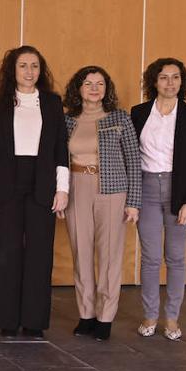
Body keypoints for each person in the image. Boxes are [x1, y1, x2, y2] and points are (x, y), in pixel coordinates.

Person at [0, 45, 68, 339]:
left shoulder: (53, 103)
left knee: (40, 254)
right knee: (7, 252)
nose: (29, 72)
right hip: (6, 185)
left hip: (42, 184)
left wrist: (63, 188)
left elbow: (60, 150)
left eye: (34, 66)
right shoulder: (0, 104)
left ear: (40, 70)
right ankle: (7, 319)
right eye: (23, 66)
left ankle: (34, 321)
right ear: (12, 71)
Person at [62, 66, 142, 342]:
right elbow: (57, 161)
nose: (94, 88)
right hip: (75, 189)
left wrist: (133, 202)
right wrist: (60, 193)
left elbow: (133, 160)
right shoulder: (67, 120)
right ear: (78, 88)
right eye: (88, 83)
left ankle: (105, 317)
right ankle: (86, 314)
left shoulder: (120, 118)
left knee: (109, 257)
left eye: (100, 84)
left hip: (112, 191)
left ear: (106, 89)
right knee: (80, 252)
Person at [131, 58, 186, 341]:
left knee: (175, 258)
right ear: (154, 81)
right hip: (147, 189)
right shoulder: (138, 113)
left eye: (175, 77)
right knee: (150, 258)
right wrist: (132, 198)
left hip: (179, 192)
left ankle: (172, 318)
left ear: (182, 82)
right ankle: (150, 315)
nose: (170, 83)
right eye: (163, 77)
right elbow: (131, 156)